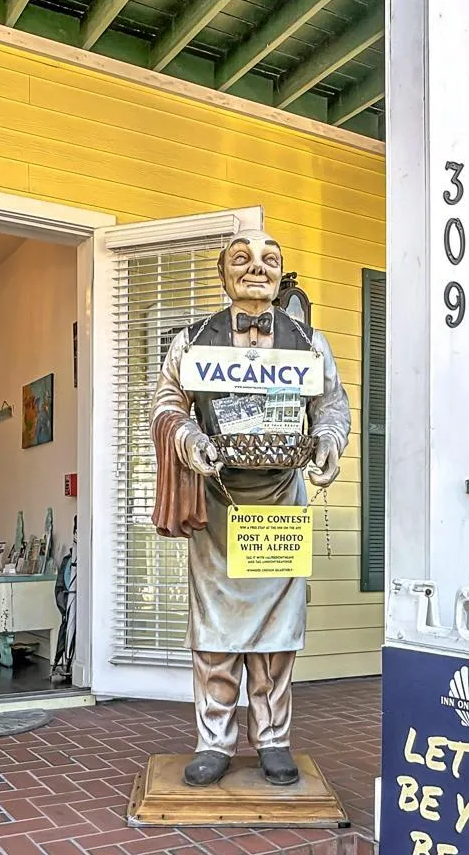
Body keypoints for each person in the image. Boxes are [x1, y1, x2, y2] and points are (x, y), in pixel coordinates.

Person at [149, 228, 351, 787]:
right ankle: (213, 740)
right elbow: (167, 401)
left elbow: (332, 404)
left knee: (276, 636)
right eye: (242, 258)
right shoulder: (191, 340)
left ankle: (274, 739)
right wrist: (190, 440)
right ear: (224, 273)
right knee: (215, 633)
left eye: (269, 259)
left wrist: (330, 443)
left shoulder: (309, 341)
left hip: (281, 496)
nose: (256, 267)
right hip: (218, 500)